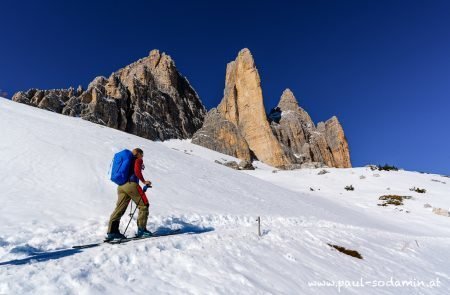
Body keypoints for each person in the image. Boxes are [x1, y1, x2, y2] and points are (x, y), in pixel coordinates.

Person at [106, 148, 153, 240]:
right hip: (131, 185)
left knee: (119, 208)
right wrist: (144, 181)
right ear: (138, 154)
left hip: (121, 186)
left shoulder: (127, 161)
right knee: (144, 205)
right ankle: (142, 231)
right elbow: (137, 171)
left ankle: (112, 232)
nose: (142, 157)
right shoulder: (137, 160)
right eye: (142, 154)